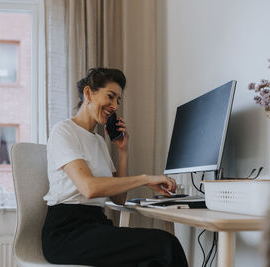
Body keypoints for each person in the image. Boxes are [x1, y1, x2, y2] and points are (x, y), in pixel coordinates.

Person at [41, 67, 189, 267]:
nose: (114, 105)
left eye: (118, 100)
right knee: (166, 244)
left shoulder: (100, 141)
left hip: (95, 225)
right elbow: (90, 188)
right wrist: (146, 178)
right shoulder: (64, 131)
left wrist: (123, 151)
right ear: (88, 93)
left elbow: (119, 198)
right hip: (67, 232)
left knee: (152, 260)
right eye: (110, 97)